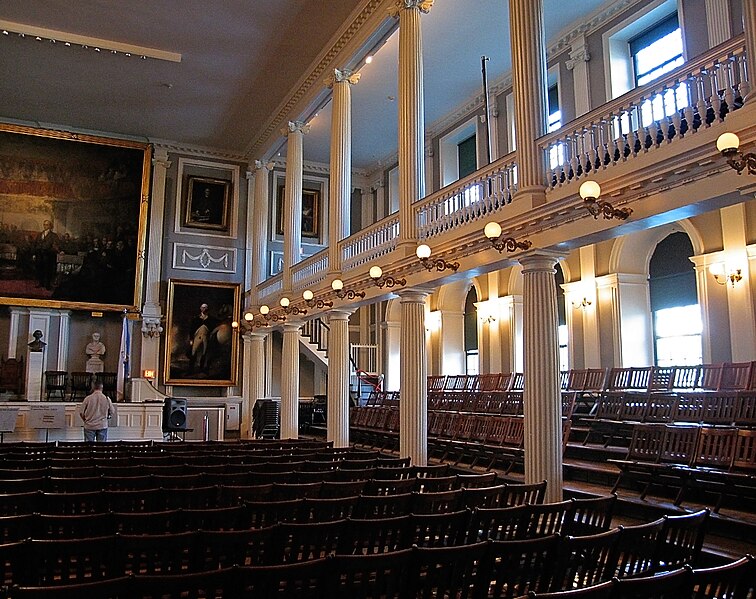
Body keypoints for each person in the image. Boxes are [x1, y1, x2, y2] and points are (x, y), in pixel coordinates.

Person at [189, 303, 217, 372]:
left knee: (204, 352)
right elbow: (192, 329)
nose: (204, 309)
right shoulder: (196, 319)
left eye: (205, 308)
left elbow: (213, 327)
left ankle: (202, 368)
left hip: (205, 337)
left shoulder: (211, 319)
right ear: (200, 309)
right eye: (203, 308)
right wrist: (191, 339)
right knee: (193, 352)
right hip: (197, 336)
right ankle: (191, 369)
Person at [33, 219, 60, 290]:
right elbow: (35, 244)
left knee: (48, 270)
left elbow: (55, 246)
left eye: (47, 225)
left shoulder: (54, 235)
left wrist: (49, 250)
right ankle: (41, 283)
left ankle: (48, 284)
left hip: (48, 256)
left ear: (50, 226)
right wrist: (35, 254)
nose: (45, 226)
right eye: (44, 224)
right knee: (40, 269)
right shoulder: (40, 234)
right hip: (40, 255)